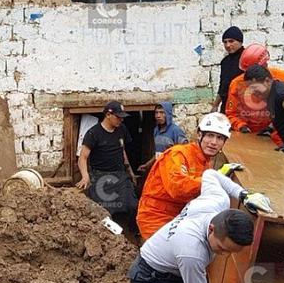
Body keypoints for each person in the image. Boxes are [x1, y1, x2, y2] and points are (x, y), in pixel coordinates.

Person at [136, 112, 232, 241]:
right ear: (199, 134)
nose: (214, 142)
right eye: (210, 135)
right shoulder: (178, 154)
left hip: (178, 216)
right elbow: (178, 189)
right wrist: (212, 179)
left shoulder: (205, 162)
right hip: (156, 218)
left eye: (220, 138)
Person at [224, 43, 284, 146]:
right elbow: (231, 113)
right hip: (251, 136)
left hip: (280, 136)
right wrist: (242, 127)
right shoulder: (236, 85)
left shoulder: (283, 77)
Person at [76, 101, 138, 234]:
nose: (121, 120)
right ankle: (109, 237)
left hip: (120, 175)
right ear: (108, 115)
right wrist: (85, 176)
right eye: (118, 117)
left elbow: (122, 151)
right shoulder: (93, 133)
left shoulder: (122, 129)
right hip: (100, 176)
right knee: (105, 210)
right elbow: (83, 158)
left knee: (133, 205)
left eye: (122, 117)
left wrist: (130, 172)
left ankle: (133, 234)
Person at [137, 102, 188, 173]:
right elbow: (159, 154)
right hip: (160, 169)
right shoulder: (156, 131)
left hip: (172, 170)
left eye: (162, 112)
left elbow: (185, 151)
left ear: (168, 114)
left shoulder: (175, 131)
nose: (158, 116)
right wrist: (147, 165)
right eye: (156, 113)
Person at [211, 26, 244, 113]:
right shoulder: (225, 62)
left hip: (244, 106)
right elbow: (223, 86)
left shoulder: (248, 58)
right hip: (227, 106)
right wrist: (215, 105)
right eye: (225, 42)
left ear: (240, 41)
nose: (227, 45)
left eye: (231, 41)